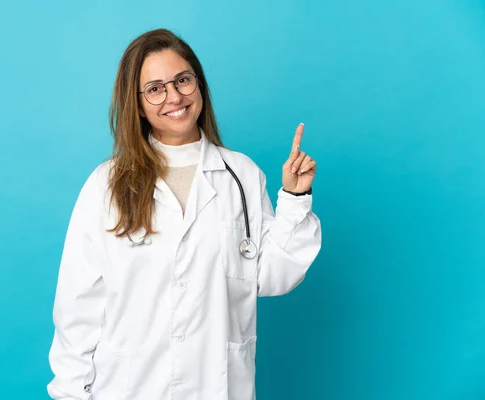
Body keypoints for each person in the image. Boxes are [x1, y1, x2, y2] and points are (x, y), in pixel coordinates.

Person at [46, 28, 322, 400]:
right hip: (129, 388)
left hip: (216, 386)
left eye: (183, 80)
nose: (174, 97)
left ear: (200, 85)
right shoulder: (107, 184)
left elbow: (273, 277)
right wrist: (70, 392)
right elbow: (77, 305)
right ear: (137, 102)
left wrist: (294, 196)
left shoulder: (241, 176)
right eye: (155, 88)